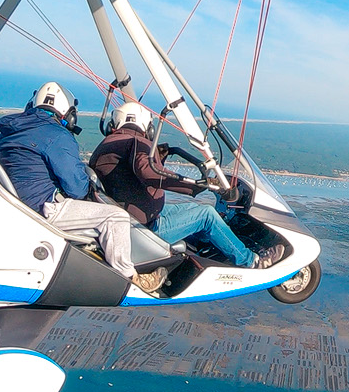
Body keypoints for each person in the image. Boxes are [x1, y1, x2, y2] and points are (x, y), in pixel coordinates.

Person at [0, 82, 165, 292]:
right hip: (43, 208)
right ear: (69, 114)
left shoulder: (8, 133)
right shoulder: (56, 135)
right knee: (116, 217)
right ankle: (131, 278)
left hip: (17, 205)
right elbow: (76, 188)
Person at [90, 100, 284, 269]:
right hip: (146, 228)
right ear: (147, 127)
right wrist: (194, 186)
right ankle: (252, 261)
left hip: (135, 218)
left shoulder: (110, 144)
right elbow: (148, 173)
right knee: (206, 215)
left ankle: (214, 244)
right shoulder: (136, 142)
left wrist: (158, 159)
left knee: (195, 209)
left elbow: (131, 176)